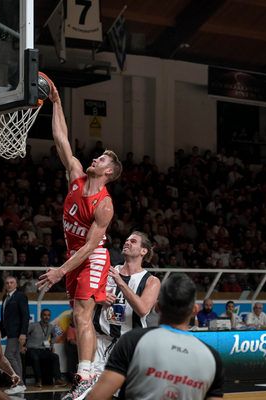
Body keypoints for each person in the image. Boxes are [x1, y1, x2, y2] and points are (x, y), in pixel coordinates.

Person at [37, 79, 122, 399]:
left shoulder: (104, 204)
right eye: (98, 157)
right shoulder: (75, 174)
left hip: (92, 255)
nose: (96, 159)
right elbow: (61, 139)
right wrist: (57, 101)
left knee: (83, 313)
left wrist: (60, 271)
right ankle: (90, 372)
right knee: (78, 315)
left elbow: (90, 246)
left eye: (102, 160)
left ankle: (85, 376)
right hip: (73, 257)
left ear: (109, 172)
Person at [86, 273, 224, 400]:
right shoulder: (212, 357)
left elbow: (97, 397)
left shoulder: (133, 341)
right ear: (195, 309)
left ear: (158, 306)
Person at [93, 231, 160, 380]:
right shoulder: (107, 271)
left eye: (133, 241)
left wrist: (121, 282)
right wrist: (99, 298)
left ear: (143, 251)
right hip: (100, 341)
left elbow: (143, 310)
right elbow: (87, 297)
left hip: (129, 344)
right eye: (127, 240)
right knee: (93, 389)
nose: (127, 242)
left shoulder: (151, 281)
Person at [0, 275, 28, 395]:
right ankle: (20, 384)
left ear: (16, 284)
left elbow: (25, 315)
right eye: (7, 283)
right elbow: (4, 317)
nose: (9, 285)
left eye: (12, 282)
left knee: (9, 355)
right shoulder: (5, 297)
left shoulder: (20, 296)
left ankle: (19, 384)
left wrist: (23, 333)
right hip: (9, 332)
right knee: (16, 357)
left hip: (17, 333)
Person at [26, 309, 66, 387]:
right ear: (41, 316)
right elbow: (23, 334)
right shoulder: (33, 325)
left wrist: (52, 345)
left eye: (48, 315)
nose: (46, 317)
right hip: (32, 349)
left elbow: (55, 335)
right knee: (35, 357)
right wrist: (23, 346)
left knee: (55, 356)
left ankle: (57, 379)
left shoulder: (51, 326)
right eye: (44, 315)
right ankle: (38, 380)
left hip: (42, 349)